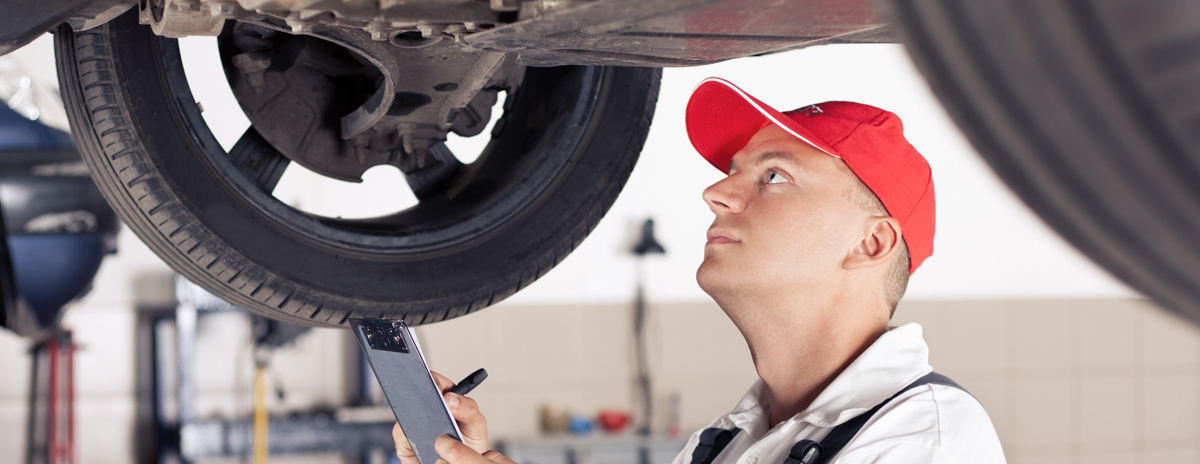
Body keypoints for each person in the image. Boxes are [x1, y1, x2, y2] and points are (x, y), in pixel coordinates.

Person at [392, 77, 1006, 464]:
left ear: (871, 242)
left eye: (773, 176)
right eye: (734, 170)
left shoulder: (926, 441)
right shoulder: (728, 442)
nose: (717, 192)